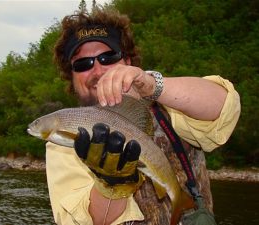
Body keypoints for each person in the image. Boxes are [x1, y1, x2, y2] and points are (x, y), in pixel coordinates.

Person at [46, 6, 241, 225]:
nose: (98, 70)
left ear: (127, 61)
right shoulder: (62, 140)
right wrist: (111, 185)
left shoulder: (171, 106)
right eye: (83, 64)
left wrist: (151, 85)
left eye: (108, 57)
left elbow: (225, 106)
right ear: (71, 77)